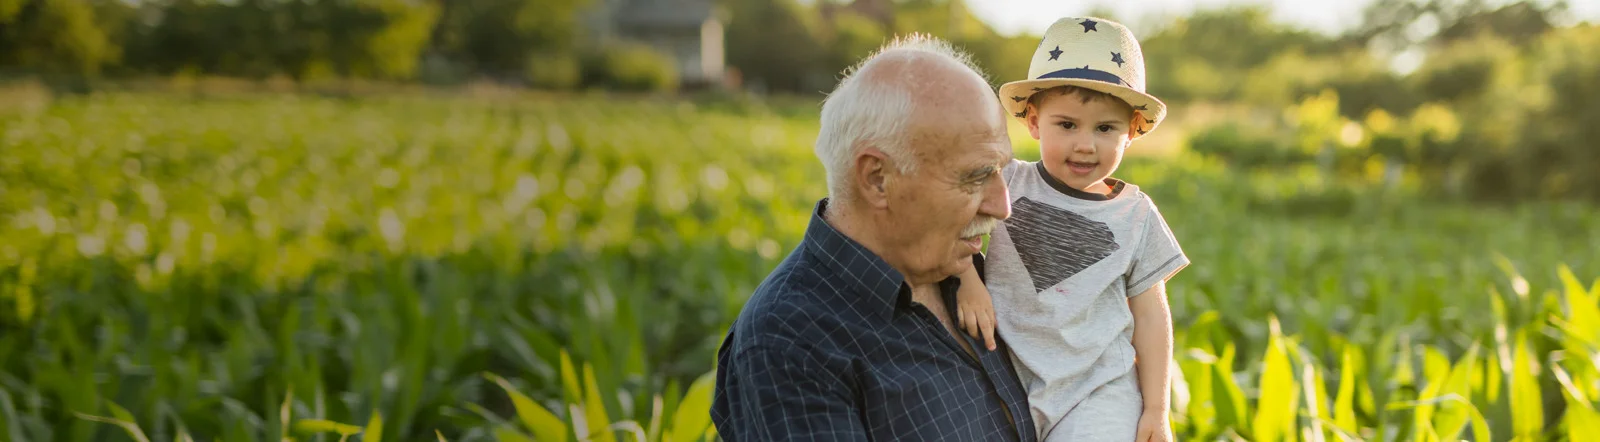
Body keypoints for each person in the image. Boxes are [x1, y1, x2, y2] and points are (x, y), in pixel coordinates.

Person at [709, 34, 1038, 442]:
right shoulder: (790, 342)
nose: (1002, 206)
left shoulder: (980, 269)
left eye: (1000, 171)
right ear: (877, 179)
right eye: (974, 176)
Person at [953, 17, 1190, 442]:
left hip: (1098, 391)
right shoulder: (1007, 181)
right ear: (1032, 121)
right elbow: (957, 227)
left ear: (1132, 130)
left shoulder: (1135, 215)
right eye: (1067, 125)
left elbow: (1152, 316)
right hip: (1007, 381)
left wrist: (1157, 409)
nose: (1085, 144)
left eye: (1105, 128)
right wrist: (968, 279)